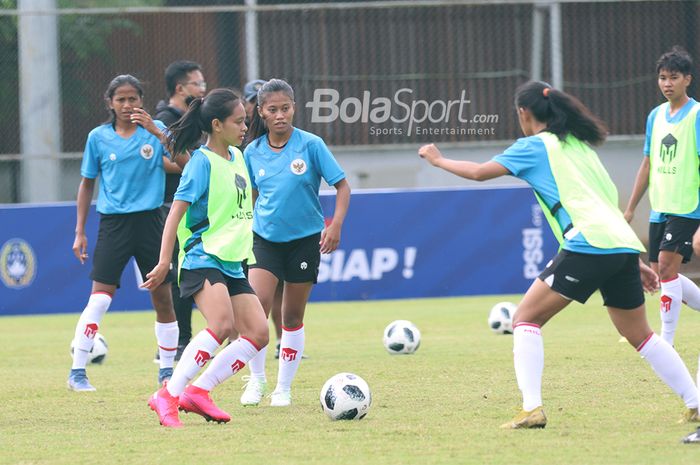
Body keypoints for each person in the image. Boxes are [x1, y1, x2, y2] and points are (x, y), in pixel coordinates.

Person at [418, 80, 699, 429]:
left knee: (525, 319)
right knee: (640, 335)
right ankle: (695, 403)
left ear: (524, 112)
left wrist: (438, 159)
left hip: (587, 245)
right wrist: (635, 259)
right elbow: (606, 201)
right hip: (620, 244)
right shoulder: (579, 147)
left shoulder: (533, 146)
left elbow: (479, 173)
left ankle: (532, 409)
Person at [142, 88, 269, 428]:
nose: (245, 128)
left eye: (246, 121)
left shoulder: (237, 156)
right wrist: (164, 259)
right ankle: (167, 394)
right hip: (203, 255)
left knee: (258, 334)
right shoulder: (201, 162)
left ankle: (199, 392)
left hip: (232, 259)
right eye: (239, 122)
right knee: (222, 325)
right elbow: (176, 213)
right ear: (216, 124)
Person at [238, 78, 351, 407]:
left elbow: (342, 187)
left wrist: (335, 226)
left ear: (294, 108)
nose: (279, 115)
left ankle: (283, 388)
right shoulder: (252, 151)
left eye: (285, 108)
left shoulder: (311, 145)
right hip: (264, 239)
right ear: (260, 112)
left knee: (291, 315)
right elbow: (249, 198)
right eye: (272, 110)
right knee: (257, 307)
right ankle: (256, 381)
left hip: (303, 240)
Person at [69, 74, 178, 391]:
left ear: (142, 100)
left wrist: (157, 131)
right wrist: (79, 231)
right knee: (100, 300)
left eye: (133, 98)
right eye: (121, 99)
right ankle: (77, 372)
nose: (128, 105)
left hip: (151, 223)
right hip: (114, 225)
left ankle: (167, 372)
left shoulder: (155, 132)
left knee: (163, 300)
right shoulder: (98, 138)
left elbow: (185, 163)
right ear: (110, 103)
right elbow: (87, 184)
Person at [154, 60, 207, 360]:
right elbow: (155, 160)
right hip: (170, 203)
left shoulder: (191, 116)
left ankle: (188, 339)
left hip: (193, 202)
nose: (203, 88)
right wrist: (195, 167)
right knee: (177, 272)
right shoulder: (164, 118)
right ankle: (181, 340)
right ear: (180, 88)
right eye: (197, 84)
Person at [242, 78, 286, 360]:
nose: (278, 114)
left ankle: (283, 340)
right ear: (256, 108)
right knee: (253, 294)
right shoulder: (244, 143)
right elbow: (249, 192)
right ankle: (243, 343)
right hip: (253, 230)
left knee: (281, 287)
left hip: (280, 230)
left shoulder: (288, 139)